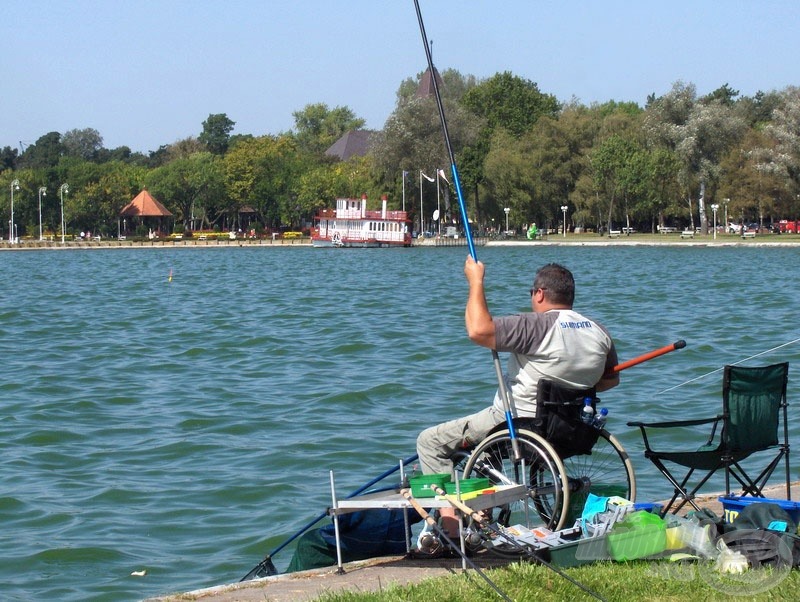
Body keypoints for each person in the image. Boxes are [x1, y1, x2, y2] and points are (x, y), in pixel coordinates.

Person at [415, 259, 619, 536]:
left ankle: (451, 529)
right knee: (483, 449)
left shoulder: (534, 326)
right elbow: (609, 380)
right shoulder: (598, 331)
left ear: (539, 294)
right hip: (569, 428)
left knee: (430, 441)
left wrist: (476, 280)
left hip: (519, 422)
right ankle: (482, 511)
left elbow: (478, 330)